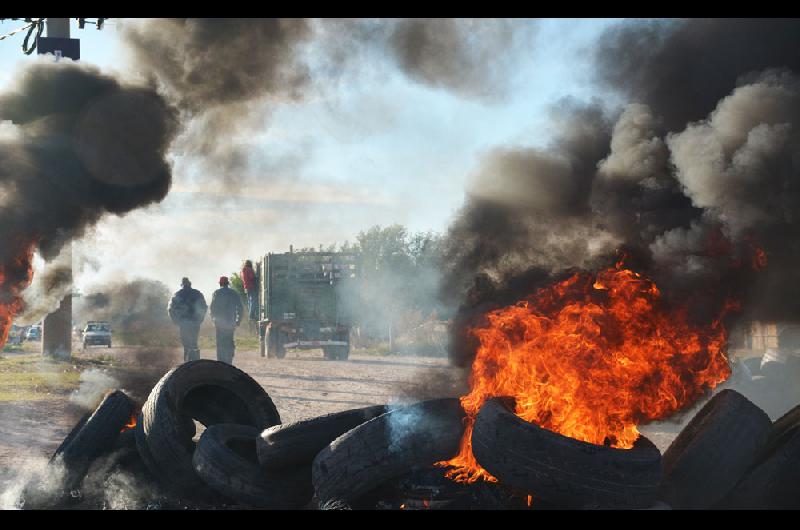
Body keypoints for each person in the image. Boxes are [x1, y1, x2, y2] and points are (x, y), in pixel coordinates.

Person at [168, 277, 208, 362]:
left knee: (186, 344)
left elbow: (171, 309)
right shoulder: (197, 293)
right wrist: (200, 319)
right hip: (195, 322)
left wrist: (175, 320)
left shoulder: (178, 294)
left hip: (183, 322)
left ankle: (187, 363)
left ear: (182, 285)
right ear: (190, 284)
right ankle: (196, 362)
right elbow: (204, 307)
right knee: (194, 342)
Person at [210, 275, 244, 364]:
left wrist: (213, 319)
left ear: (220, 284)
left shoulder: (216, 293)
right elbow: (240, 308)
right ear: (228, 283)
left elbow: (212, 308)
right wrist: (238, 320)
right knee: (229, 340)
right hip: (230, 322)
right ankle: (229, 359)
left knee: (220, 342)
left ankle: (221, 362)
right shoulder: (234, 293)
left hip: (219, 323)